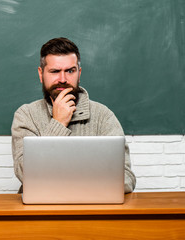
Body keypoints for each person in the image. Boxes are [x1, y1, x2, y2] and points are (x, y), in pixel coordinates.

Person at [11, 37, 136, 193]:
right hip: (40, 211)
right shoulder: (26, 115)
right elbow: (26, 174)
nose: (63, 79)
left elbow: (126, 178)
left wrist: (65, 183)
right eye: (55, 71)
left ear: (79, 73)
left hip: (91, 209)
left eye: (70, 71)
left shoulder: (103, 115)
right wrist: (58, 123)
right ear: (41, 74)